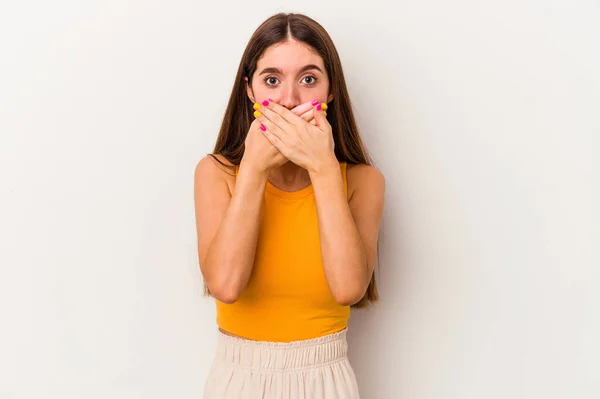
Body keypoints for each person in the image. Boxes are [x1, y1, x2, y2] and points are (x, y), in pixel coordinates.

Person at [193, 12, 385, 399]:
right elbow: (225, 286)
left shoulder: (363, 181)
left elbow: (349, 288)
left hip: (325, 382)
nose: (290, 99)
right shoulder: (215, 173)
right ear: (250, 91)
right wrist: (252, 169)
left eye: (309, 79)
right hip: (238, 380)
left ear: (331, 92)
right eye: (272, 80)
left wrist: (324, 168)